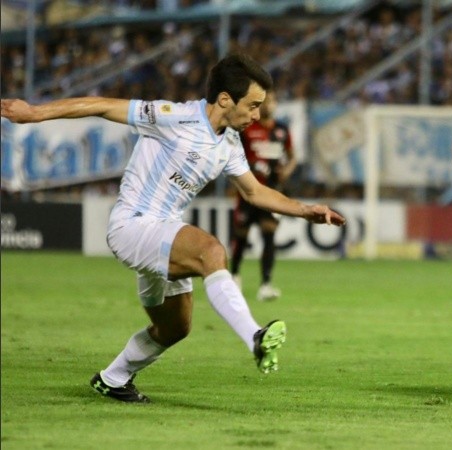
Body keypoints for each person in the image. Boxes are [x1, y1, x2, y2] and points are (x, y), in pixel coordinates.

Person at [0, 53, 346, 403]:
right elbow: (102, 105)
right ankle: (255, 336)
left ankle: (114, 378)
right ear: (225, 99)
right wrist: (35, 113)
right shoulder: (173, 117)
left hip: (163, 235)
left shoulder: (228, 143)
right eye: (253, 105)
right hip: (133, 226)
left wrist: (305, 210)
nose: (257, 115)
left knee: (174, 328)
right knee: (211, 251)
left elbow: (254, 191)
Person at [229, 90, 297, 301]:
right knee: (242, 234)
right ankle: (235, 276)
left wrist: (287, 170)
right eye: (264, 102)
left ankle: (266, 284)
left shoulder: (281, 130)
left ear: (276, 105)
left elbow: (292, 157)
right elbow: (233, 154)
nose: (268, 105)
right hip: (249, 192)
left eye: (272, 101)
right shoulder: (248, 128)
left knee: (269, 233)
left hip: (272, 192)